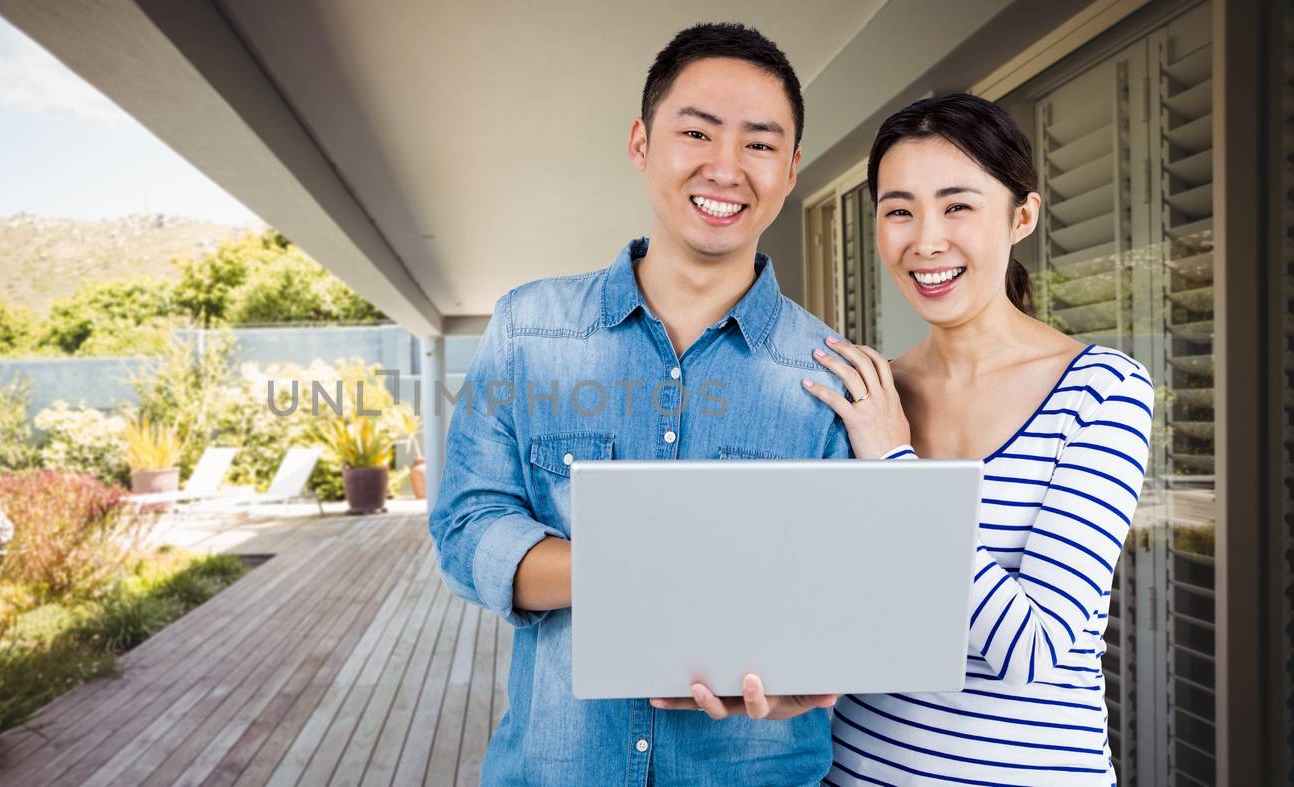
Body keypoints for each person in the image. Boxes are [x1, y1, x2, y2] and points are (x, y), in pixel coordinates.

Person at [428, 22, 849, 786]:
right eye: (696, 132)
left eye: (759, 144)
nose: (725, 168)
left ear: (791, 171)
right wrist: (631, 566)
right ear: (641, 143)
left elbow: (840, 592)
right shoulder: (529, 328)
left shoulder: (834, 375)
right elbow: (465, 528)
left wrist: (807, 674)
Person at [801, 93, 1153, 784]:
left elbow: (1032, 648)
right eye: (899, 209)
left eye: (957, 205)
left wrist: (897, 467)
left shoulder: (1102, 392)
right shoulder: (867, 393)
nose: (926, 239)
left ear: (1022, 216)